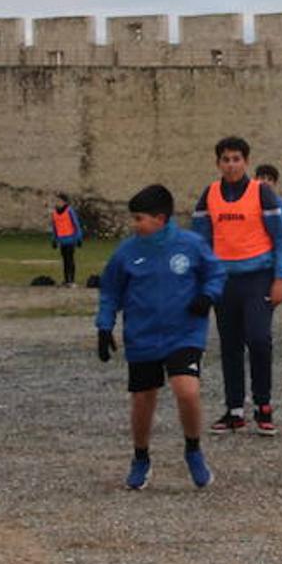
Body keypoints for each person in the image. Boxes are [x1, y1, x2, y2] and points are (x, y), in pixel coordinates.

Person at [97, 185, 226, 490]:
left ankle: (193, 450)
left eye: (139, 218)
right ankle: (141, 458)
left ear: (160, 218)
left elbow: (216, 273)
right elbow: (110, 290)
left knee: (187, 391)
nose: (134, 224)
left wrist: (207, 296)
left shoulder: (190, 244)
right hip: (143, 336)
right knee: (143, 399)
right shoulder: (127, 252)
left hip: (184, 333)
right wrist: (104, 326)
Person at [192, 136, 282, 436]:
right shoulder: (209, 195)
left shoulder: (261, 193)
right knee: (230, 344)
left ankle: (263, 405)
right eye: (226, 159)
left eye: (237, 159)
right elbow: (200, 241)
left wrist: (280, 279)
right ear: (218, 163)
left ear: (246, 162)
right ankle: (235, 409)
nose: (231, 164)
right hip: (224, 282)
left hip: (258, 278)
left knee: (259, 338)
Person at [49, 193, 84, 286]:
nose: (57, 203)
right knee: (64, 260)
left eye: (59, 201)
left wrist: (79, 238)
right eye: (56, 201)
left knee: (70, 260)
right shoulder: (55, 213)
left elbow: (76, 224)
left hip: (70, 239)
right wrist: (54, 239)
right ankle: (66, 279)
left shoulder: (69, 211)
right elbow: (54, 227)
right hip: (62, 240)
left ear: (64, 202)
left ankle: (72, 280)